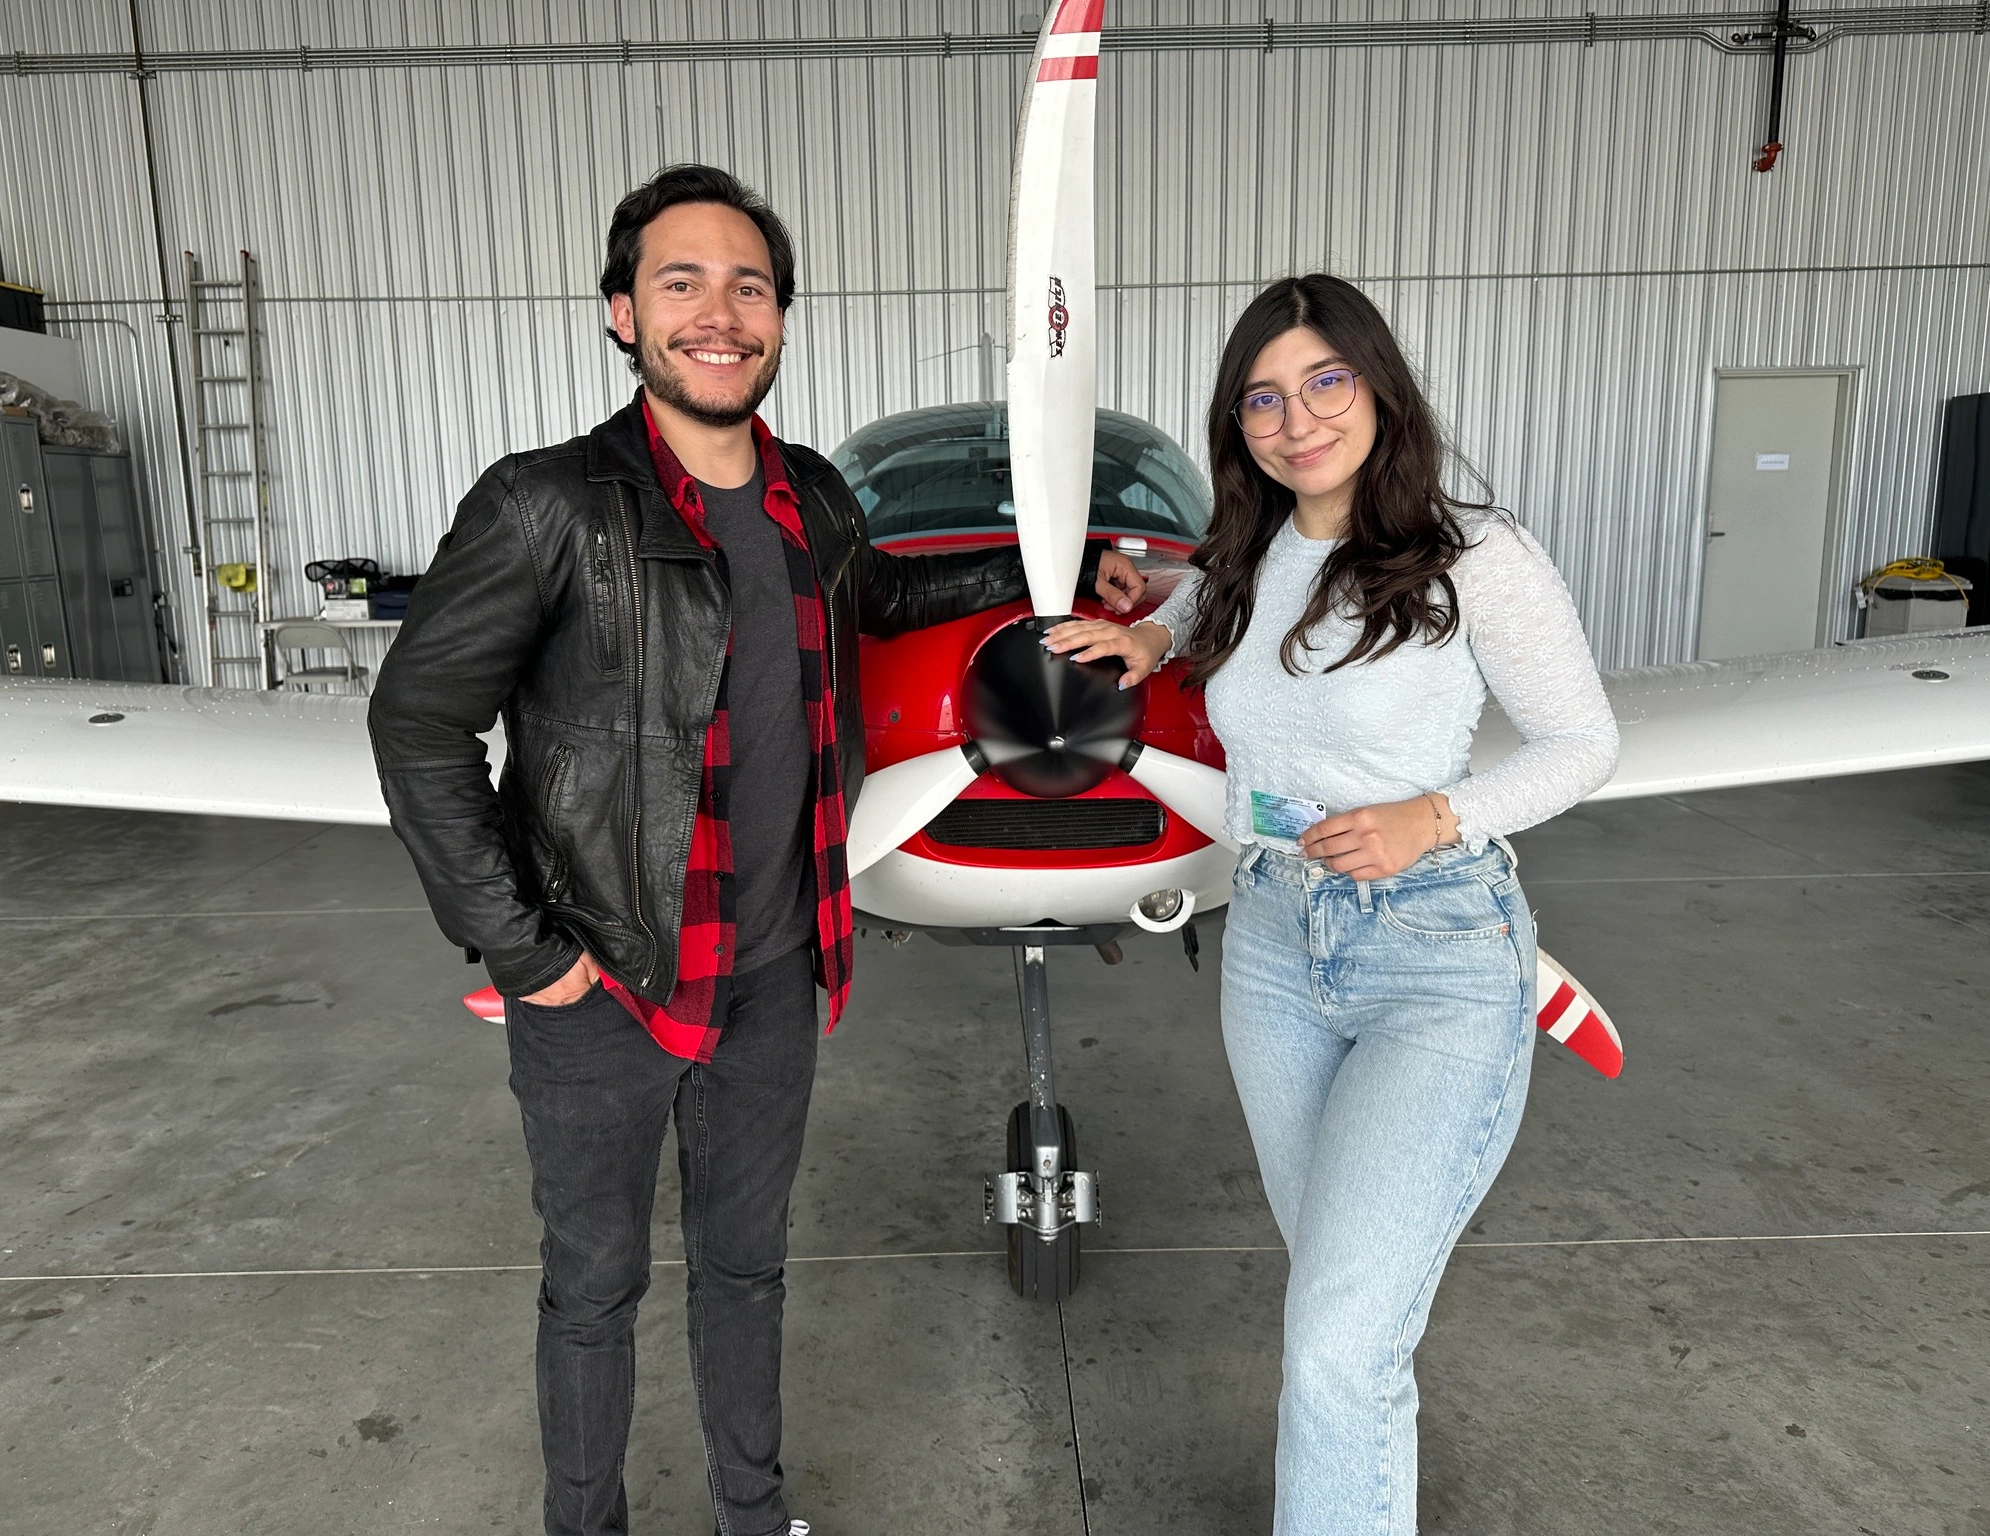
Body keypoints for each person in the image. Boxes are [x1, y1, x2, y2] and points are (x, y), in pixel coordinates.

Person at [369, 163, 1145, 1536]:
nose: (718, 314)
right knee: (594, 1284)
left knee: (748, 1269)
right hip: (603, 981)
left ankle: (751, 1510)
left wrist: (1069, 575)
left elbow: (889, 591)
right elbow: (419, 728)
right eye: (681, 283)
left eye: (749, 287)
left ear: (781, 317)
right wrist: (529, 954)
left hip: (776, 971)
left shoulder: (813, 500)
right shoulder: (544, 504)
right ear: (620, 313)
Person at [1043, 273, 1619, 1535]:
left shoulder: (1479, 555)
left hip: (1436, 954)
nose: (1294, 420)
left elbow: (1582, 743)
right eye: (1261, 398)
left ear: (1378, 388)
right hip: (1268, 949)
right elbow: (1216, 610)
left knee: (1337, 1346)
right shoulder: (1249, 551)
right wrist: (1146, 642)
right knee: (1339, 1320)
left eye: (1324, 383)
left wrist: (1437, 815)